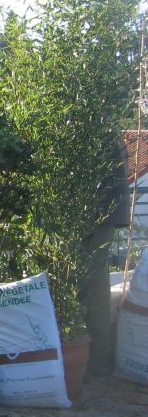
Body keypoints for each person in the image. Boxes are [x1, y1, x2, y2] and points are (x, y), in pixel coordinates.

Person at [84, 136, 130, 376]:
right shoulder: (109, 134)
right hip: (103, 217)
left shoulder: (99, 135)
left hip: (98, 217)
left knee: (92, 287)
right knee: (97, 282)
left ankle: (96, 362)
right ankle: (96, 360)